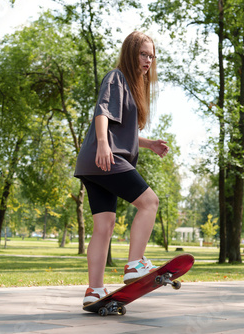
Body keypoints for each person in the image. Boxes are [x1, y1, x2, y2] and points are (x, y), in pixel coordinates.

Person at [74, 31, 169, 306]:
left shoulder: (133, 85)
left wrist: (148, 144)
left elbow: (123, 133)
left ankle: (94, 290)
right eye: (143, 54)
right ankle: (135, 264)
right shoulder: (117, 77)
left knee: (104, 225)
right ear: (130, 53)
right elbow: (101, 114)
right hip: (105, 157)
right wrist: (103, 144)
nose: (148, 60)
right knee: (150, 202)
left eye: (151, 55)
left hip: (92, 163)